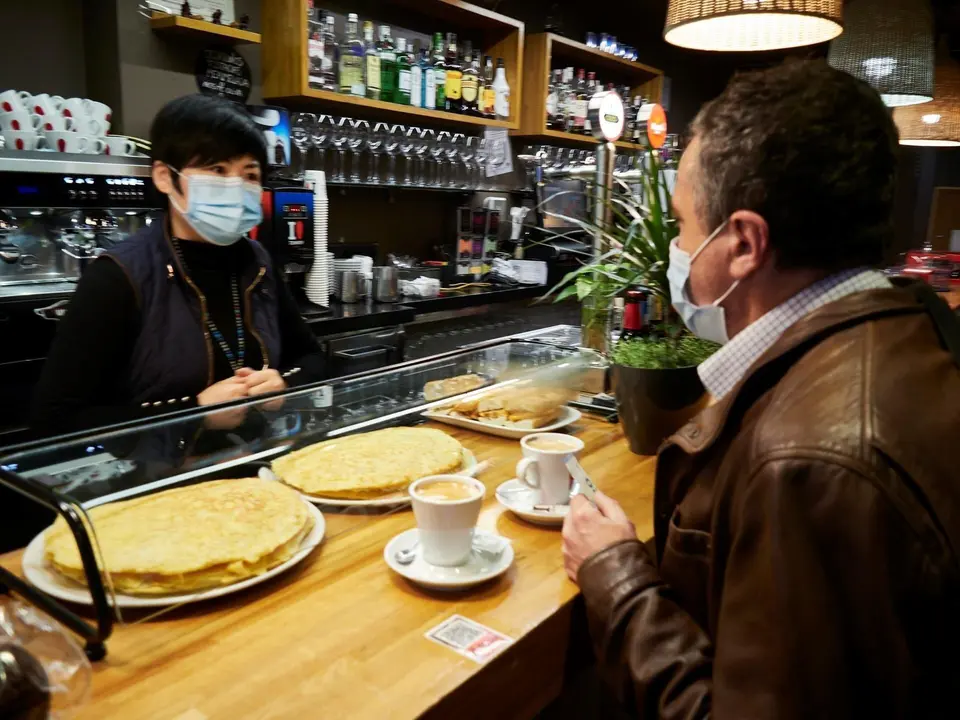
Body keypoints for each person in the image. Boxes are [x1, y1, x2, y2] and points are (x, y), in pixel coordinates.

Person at [562, 60, 960, 718]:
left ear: (743, 244)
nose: (678, 250)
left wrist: (614, 573)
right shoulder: (909, 335)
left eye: (686, 226)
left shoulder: (812, 460)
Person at [31, 94, 326, 436]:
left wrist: (282, 385)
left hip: (253, 468)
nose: (236, 185)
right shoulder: (118, 275)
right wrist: (193, 415)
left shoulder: (257, 261)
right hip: (151, 480)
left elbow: (312, 358)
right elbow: (54, 420)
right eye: (217, 169)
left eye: (250, 174)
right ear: (164, 177)